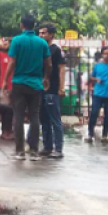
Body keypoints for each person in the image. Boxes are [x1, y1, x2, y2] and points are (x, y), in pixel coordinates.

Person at [5, 15, 50, 161]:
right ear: (34, 26)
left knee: (18, 116)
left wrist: (6, 79)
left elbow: (12, 62)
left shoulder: (17, 40)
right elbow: (48, 64)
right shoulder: (42, 43)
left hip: (19, 83)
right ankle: (34, 152)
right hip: (36, 84)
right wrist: (45, 78)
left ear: (22, 25)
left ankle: (19, 151)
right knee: (34, 117)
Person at [38, 24, 65, 158]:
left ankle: (58, 149)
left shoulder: (55, 50)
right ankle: (47, 146)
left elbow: (61, 69)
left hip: (52, 89)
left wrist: (61, 87)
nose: (41, 35)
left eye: (44, 33)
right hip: (40, 88)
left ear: (51, 35)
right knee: (44, 119)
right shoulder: (40, 49)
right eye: (40, 33)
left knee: (55, 119)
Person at [88, 47, 108, 143]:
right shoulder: (97, 66)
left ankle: (105, 135)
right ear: (102, 54)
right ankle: (90, 134)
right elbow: (91, 76)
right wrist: (96, 79)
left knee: (107, 116)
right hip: (98, 94)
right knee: (94, 113)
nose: (107, 55)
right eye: (105, 53)